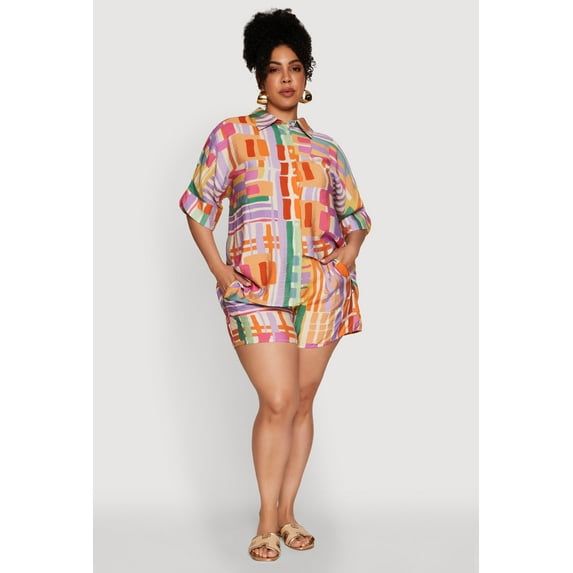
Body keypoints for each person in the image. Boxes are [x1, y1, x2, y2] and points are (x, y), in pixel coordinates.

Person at [179, 8, 371, 562]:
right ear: (259, 77)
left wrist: (344, 259)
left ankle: (289, 514)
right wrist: (221, 272)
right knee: (279, 398)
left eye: (295, 67)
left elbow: (357, 218)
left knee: (303, 400)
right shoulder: (232, 136)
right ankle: (266, 520)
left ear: (306, 75)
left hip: (320, 291)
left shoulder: (326, 148)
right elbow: (197, 207)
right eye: (274, 68)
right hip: (255, 293)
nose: (286, 78)